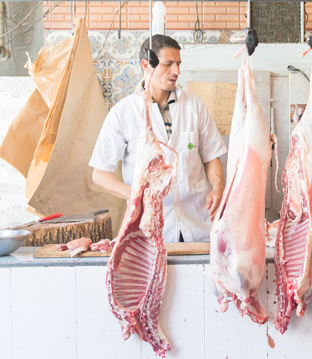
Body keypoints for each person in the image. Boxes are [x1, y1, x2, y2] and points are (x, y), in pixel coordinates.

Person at [89, 35, 227, 243]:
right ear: (147, 65)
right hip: (150, 225)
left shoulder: (194, 105)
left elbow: (211, 156)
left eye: (178, 64)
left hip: (199, 222)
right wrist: (137, 196)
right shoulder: (123, 113)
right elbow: (100, 174)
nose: (176, 71)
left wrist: (218, 188)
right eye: (168, 64)